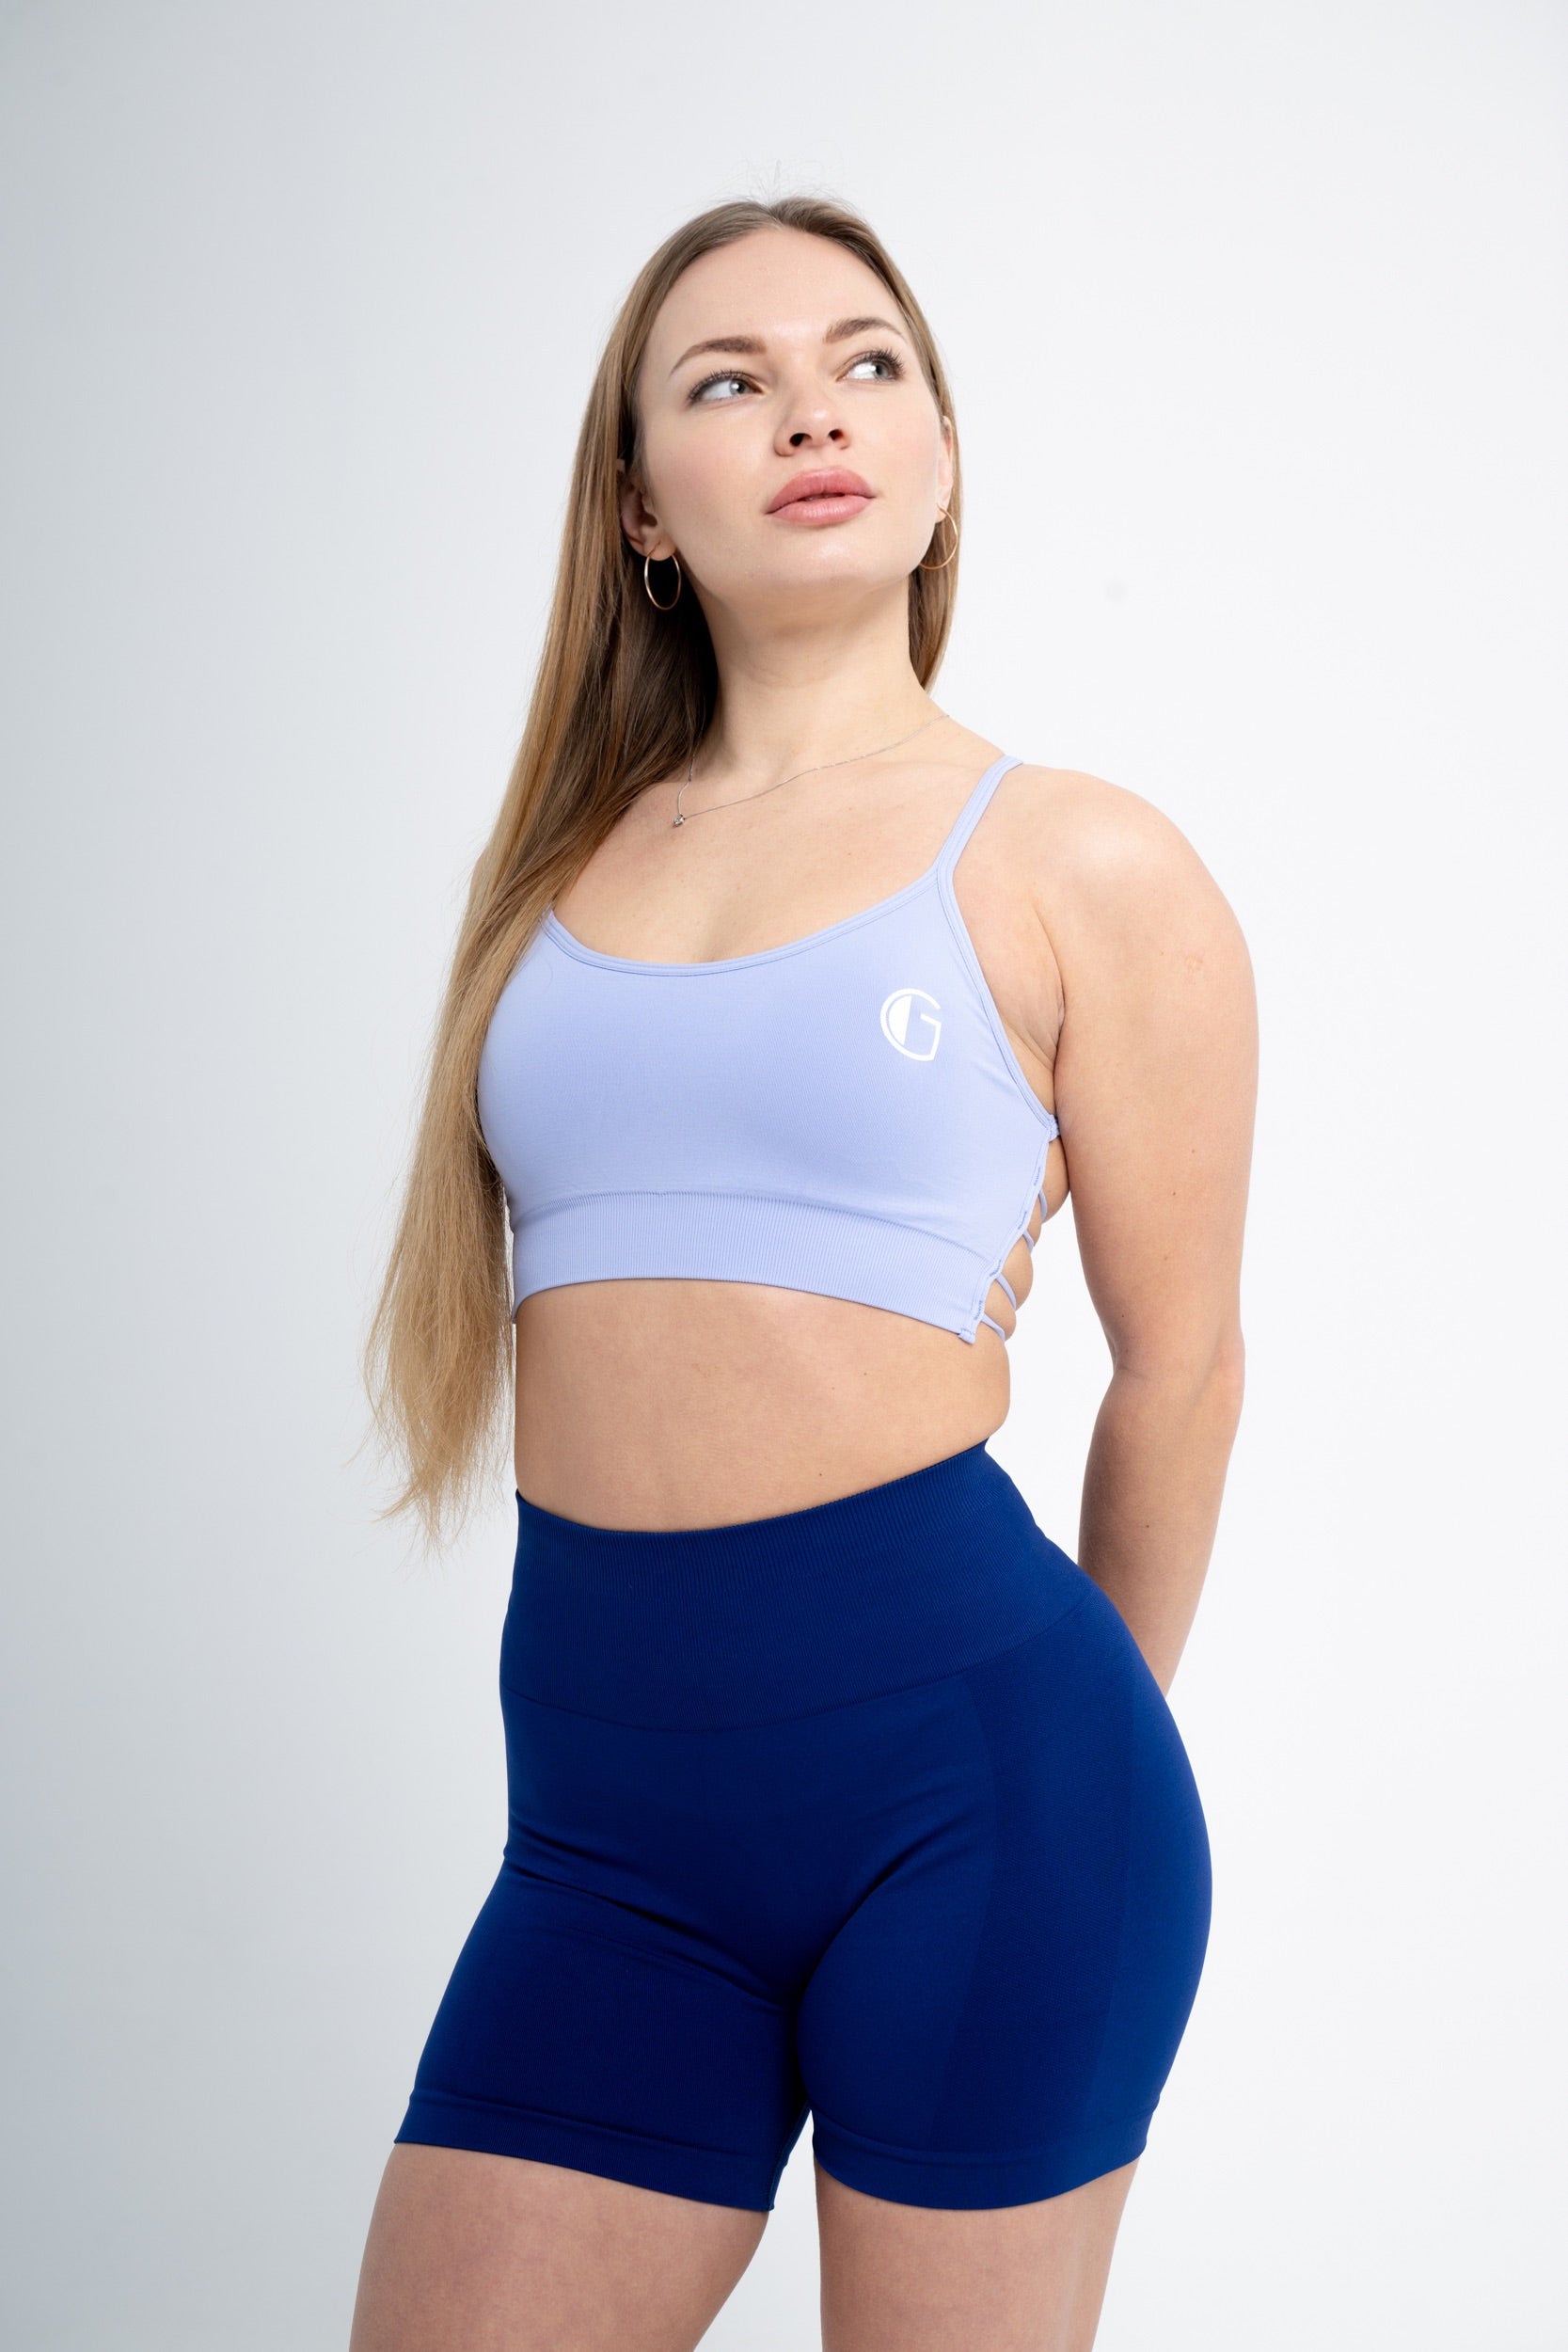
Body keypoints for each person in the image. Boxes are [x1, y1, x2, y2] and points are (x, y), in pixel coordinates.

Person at [348, 193, 1257, 2352]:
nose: (810, 414)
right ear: (641, 506)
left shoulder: (1077, 858)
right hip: (601, 1844)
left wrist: (1071, 1777)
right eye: (727, 380)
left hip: (981, 1801)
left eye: (866, 365)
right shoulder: (550, 872)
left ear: (940, 455)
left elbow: (1184, 1371)